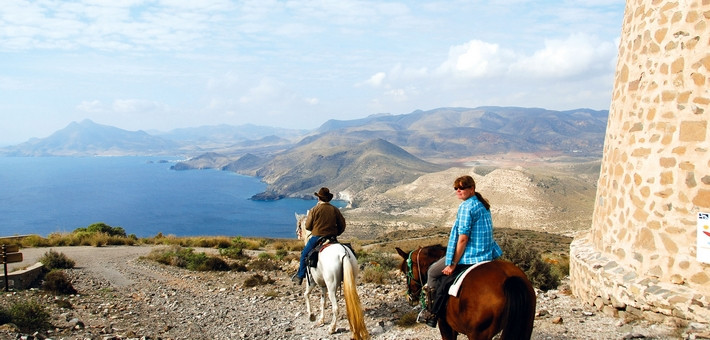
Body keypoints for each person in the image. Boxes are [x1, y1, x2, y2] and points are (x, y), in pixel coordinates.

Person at [417, 175, 503, 327]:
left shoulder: (466, 207)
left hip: (471, 254)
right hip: (487, 253)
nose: (458, 191)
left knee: (432, 272)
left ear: (471, 189)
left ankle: (431, 312)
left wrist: (452, 264)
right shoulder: (482, 204)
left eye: (462, 188)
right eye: (456, 188)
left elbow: (463, 239)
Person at [292, 187, 346, 285]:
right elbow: (342, 225)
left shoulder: (314, 210)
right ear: (328, 199)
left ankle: (300, 276)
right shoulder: (335, 210)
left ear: (319, 198)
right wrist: (336, 233)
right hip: (332, 238)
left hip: (317, 237)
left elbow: (307, 226)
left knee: (304, 254)